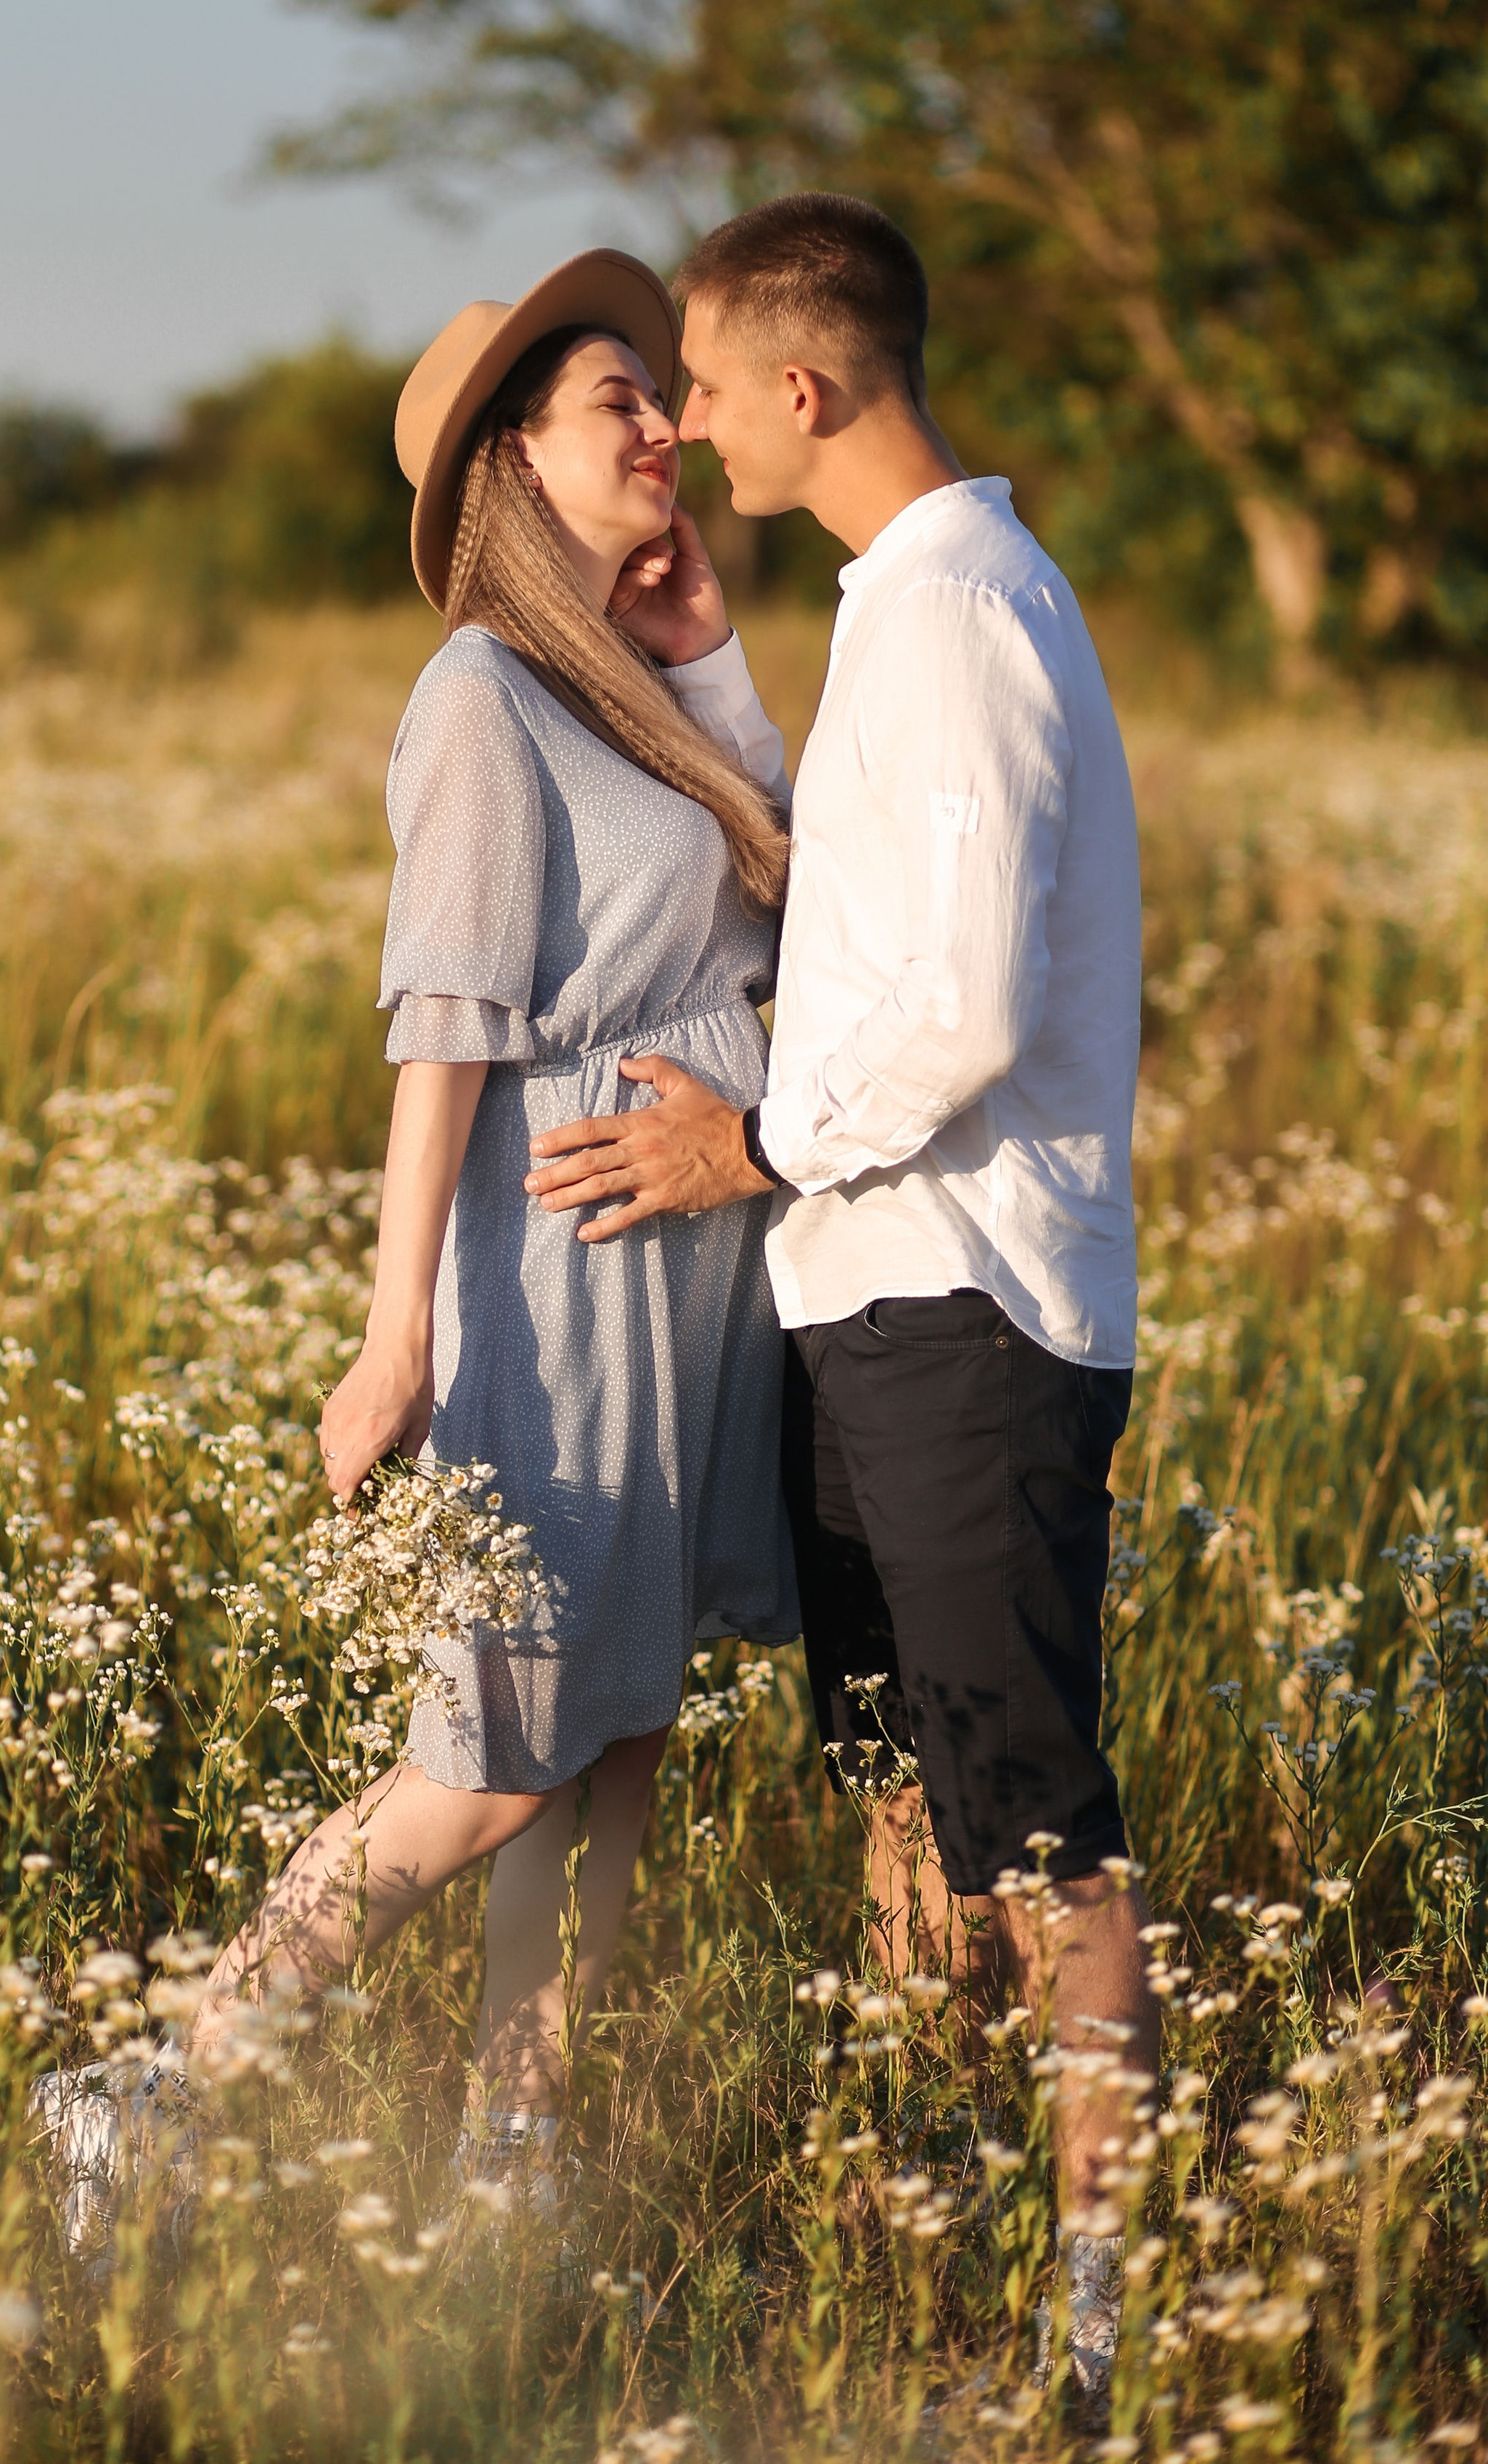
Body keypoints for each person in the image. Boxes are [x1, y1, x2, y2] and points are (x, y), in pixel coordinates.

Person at [523, 193, 1152, 2394]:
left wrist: (749, 1139)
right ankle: (924, 2229)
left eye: (696, 384)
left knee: (1043, 1829)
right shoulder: (906, 611)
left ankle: (1097, 2335)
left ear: (799, 390)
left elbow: (961, 1001)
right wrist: (709, 663)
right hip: (871, 1294)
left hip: (971, 1303)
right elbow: (867, 906)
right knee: (903, 1789)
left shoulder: (972, 617)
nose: (682, 426)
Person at [192, 250, 798, 2192]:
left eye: (657, 395)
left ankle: (518, 2159)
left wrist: (710, 664)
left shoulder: (625, 684)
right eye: (618, 400)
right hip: (553, 1259)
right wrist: (397, 1341)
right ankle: (166, 2089)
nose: (665, 427)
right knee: (497, 1740)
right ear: (514, 468)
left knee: (613, 1738)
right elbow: (441, 1027)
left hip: (687, 1255)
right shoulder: (479, 696)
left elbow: (795, 914)